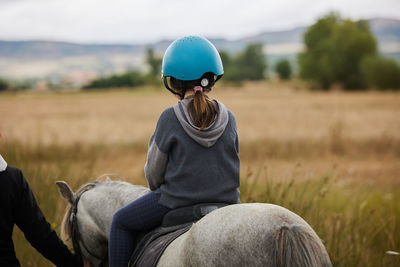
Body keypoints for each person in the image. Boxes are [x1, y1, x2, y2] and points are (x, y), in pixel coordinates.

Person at [109, 36, 240, 267]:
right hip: (227, 203)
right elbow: (231, 161)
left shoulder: (170, 117)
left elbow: (153, 174)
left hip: (176, 201)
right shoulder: (229, 117)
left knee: (120, 221)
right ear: (212, 79)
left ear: (174, 82)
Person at [0, 153, 83, 267]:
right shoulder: (12, 178)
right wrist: (76, 264)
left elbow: (39, 233)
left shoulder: (12, 178)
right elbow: (40, 234)